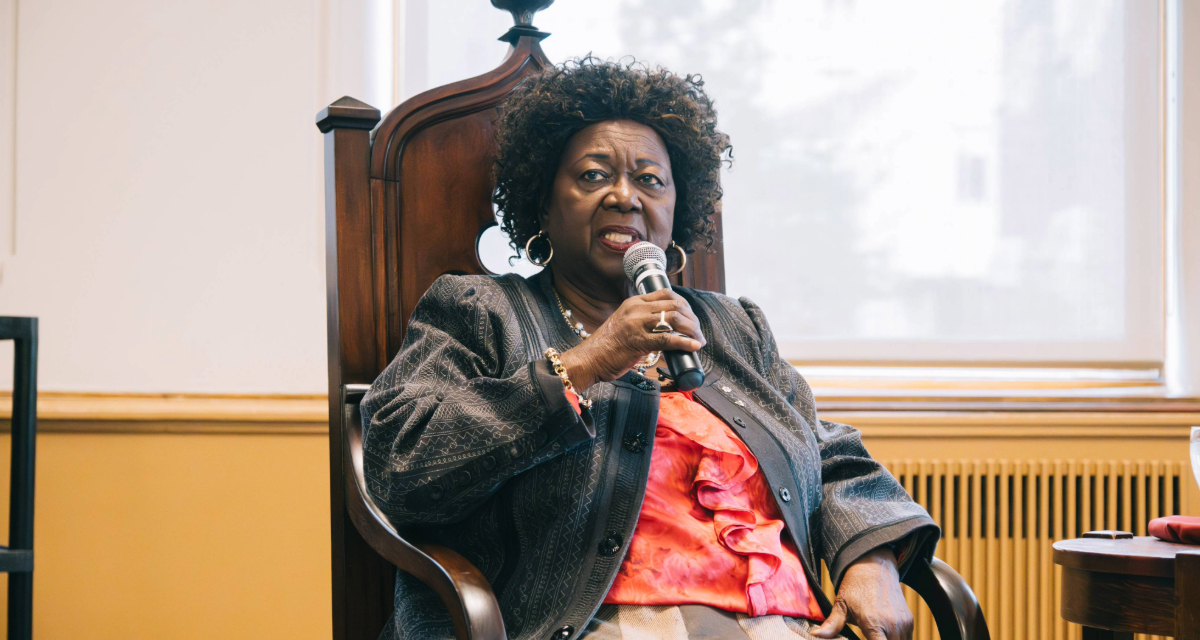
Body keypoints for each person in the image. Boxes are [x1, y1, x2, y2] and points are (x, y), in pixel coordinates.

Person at [360, 58, 937, 640]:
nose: (624, 197)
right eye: (591, 176)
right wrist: (588, 362)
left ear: (676, 211)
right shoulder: (480, 311)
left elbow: (827, 452)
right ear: (542, 202)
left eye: (650, 180)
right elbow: (401, 463)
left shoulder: (734, 327)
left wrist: (871, 560)